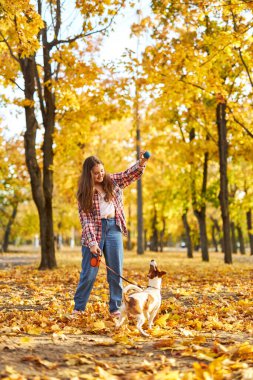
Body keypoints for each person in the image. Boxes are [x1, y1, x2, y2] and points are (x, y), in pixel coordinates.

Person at [73, 152, 150, 316]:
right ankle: (79, 308)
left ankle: (115, 308)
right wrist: (92, 243)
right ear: (89, 175)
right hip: (94, 230)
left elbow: (129, 174)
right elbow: (85, 220)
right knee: (89, 273)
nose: (100, 175)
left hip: (113, 228)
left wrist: (142, 162)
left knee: (116, 270)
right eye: (96, 173)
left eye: (101, 170)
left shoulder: (112, 181)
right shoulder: (84, 193)